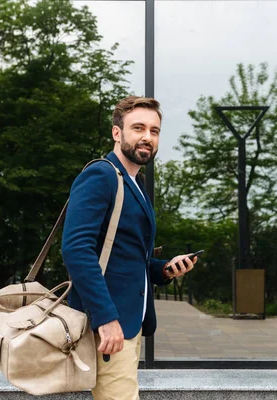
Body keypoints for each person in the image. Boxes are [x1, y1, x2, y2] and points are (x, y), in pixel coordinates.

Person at [61, 96, 196, 399]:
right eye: (138, 128)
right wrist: (106, 318)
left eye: (154, 130)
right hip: (109, 324)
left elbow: (130, 257)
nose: (147, 137)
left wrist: (163, 269)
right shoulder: (101, 175)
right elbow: (76, 249)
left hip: (129, 325)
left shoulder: (136, 184)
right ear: (117, 133)